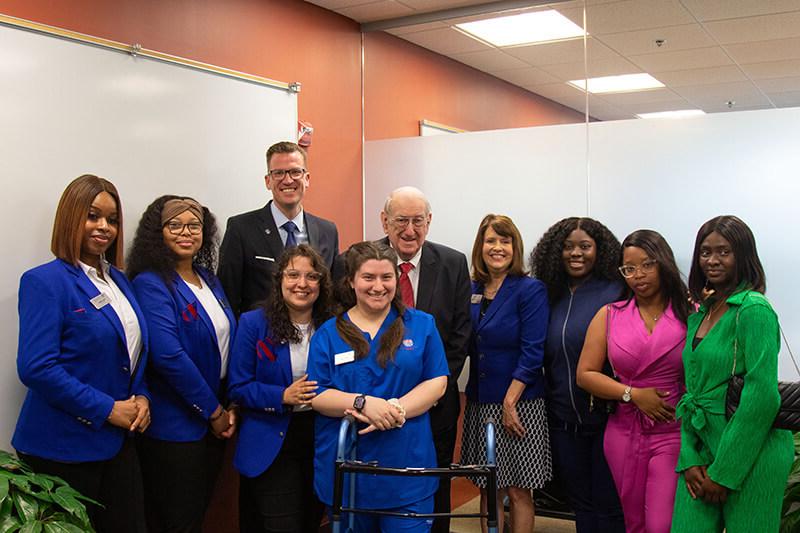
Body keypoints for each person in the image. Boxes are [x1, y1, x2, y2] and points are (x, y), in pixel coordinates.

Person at [12, 174, 149, 533]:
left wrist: (142, 396)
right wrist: (108, 409)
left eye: (113, 219)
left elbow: (131, 353)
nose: (104, 227)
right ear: (71, 217)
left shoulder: (120, 281)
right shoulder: (44, 281)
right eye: (93, 216)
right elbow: (36, 367)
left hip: (119, 443)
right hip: (62, 448)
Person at [308, 241, 449, 532]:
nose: (378, 286)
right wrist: (362, 402)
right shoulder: (329, 333)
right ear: (351, 281)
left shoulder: (421, 325)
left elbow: (437, 382)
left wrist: (395, 408)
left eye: (386, 277)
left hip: (406, 468)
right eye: (368, 277)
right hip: (347, 470)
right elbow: (318, 394)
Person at [671, 215, 794, 532]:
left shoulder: (754, 309)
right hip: (702, 447)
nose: (712, 260)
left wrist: (724, 472)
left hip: (752, 454)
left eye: (723, 251)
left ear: (743, 255)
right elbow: (691, 394)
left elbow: (762, 397)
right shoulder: (702, 313)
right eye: (705, 252)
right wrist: (689, 457)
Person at [127, 195, 237, 532]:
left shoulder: (209, 279)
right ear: (157, 232)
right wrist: (215, 412)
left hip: (212, 416)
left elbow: (225, 341)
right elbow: (169, 356)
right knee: (177, 520)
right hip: (174, 424)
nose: (185, 232)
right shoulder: (151, 283)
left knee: (196, 514)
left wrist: (229, 402)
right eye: (174, 225)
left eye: (194, 225)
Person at [576, 229, 690, 533]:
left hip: (672, 430)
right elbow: (585, 374)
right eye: (629, 268)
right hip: (623, 432)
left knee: (659, 524)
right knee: (634, 522)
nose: (638, 275)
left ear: (662, 263)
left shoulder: (689, 314)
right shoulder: (610, 314)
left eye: (647, 265)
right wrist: (632, 394)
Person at [377, 186, 471, 533]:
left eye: (418, 221)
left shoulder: (452, 263)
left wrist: (432, 385)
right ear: (384, 221)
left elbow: (461, 333)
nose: (410, 230)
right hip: (378, 401)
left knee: (436, 485)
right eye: (401, 220)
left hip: (437, 405)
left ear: (429, 222)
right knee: (383, 485)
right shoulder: (360, 261)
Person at [529, 217, 625, 533]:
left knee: (608, 503)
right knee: (580, 502)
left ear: (600, 250)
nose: (576, 253)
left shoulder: (616, 292)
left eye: (585, 246)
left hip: (608, 418)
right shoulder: (547, 293)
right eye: (568, 246)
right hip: (561, 419)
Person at [228, 244, 333, 532]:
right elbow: (238, 387)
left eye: (312, 277)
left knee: (311, 521)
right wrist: (281, 395)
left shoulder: (334, 326)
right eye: (293, 275)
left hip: (319, 438)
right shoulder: (253, 324)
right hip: (272, 440)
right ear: (279, 280)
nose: (302, 284)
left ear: (322, 284)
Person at [461, 215, 551, 533]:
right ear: (480, 246)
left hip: (521, 402)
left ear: (515, 247)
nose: (497, 247)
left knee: (518, 488)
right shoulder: (470, 289)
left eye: (505, 240)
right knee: (490, 485)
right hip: (481, 400)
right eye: (490, 240)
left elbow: (532, 351)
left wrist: (510, 402)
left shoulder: (530, 290)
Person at [218, 141, 339, 316]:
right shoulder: (241, 228)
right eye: (279, 173)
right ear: (268, 181)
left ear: (307, 179)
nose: (288, 180)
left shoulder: (328, 231)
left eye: (295, 172)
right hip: (262, 337)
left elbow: (331, 295)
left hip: (315, 336)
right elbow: (228, 295)